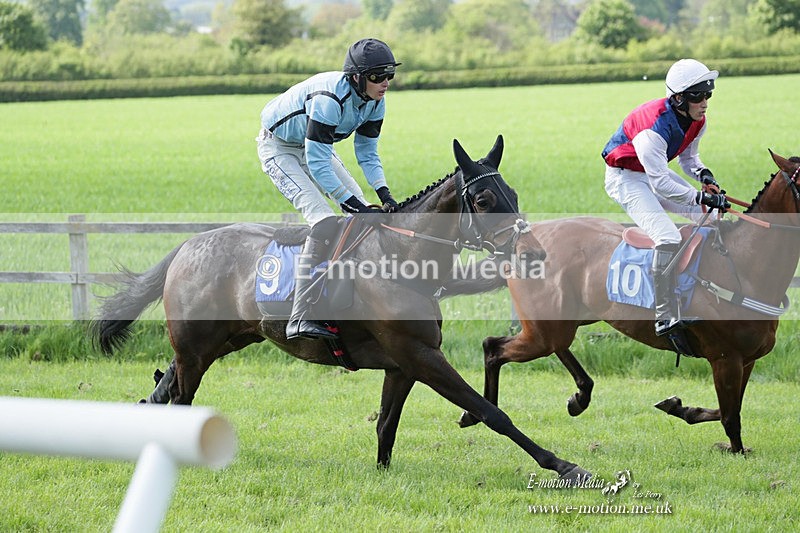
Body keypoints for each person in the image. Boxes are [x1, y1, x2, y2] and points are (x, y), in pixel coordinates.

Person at [257, 38, 401, 340]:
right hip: (280, 149)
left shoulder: (376, 99)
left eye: (390, 75)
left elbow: (368, 152)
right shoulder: (329, 98)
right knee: (324, 222)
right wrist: (352, 204)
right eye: (378, 76)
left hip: (315, 147)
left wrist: (383, 193)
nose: (385, 82)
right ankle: (300, 315)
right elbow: (319, 165)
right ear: (356, 77)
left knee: (363, 216)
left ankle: (353, 297)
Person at [602, 58, 730, 336]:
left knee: (712, 217)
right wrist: (701, 197)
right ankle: (663, 313)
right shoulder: (652, 130)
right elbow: (660, 184)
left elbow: (689, 158)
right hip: (626, 178)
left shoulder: (697, 120)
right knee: (668, 237)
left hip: (651, 172)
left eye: (708, 94)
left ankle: (704, 291)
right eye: (698, 96)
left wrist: (705, 176)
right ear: (679, 99)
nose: (705, 102)